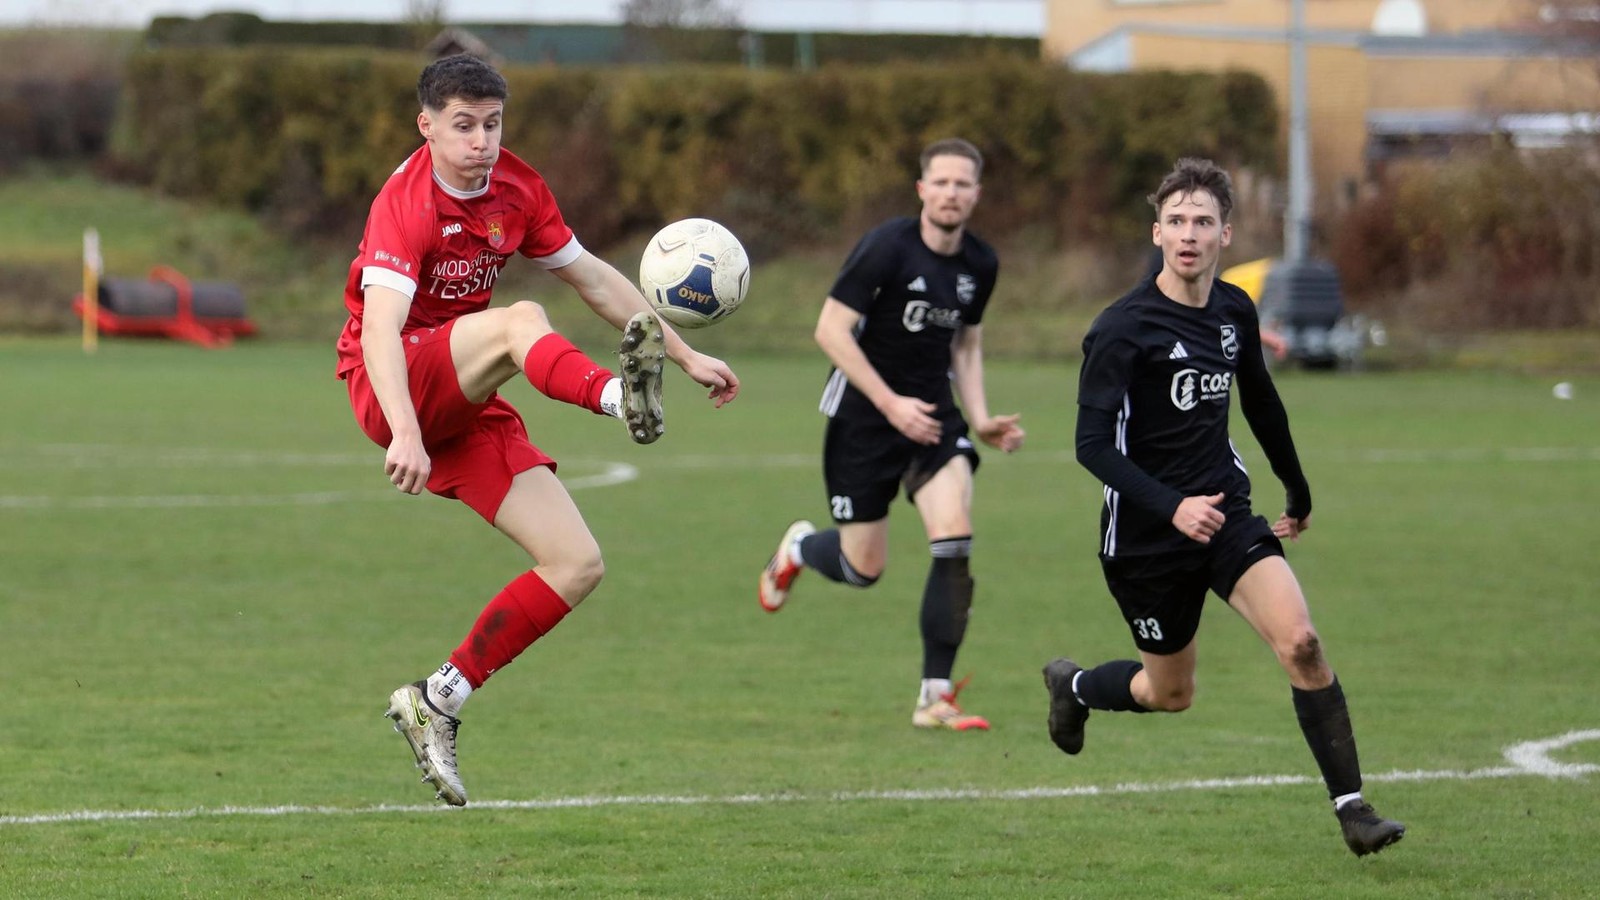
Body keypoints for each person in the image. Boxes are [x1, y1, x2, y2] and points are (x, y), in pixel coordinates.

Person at [335, 54, 739, 806]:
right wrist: (405, 432)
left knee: (576, 563)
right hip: (390, 385)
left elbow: (591, 276)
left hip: (465, 397)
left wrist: (684, 355)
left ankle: (437, 700)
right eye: (463, 126)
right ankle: (619, 399)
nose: (481, 142)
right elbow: (382, 329)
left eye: (492, 124)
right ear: (426, 126)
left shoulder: (518, 189)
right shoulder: (405, 203)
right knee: (520, 320)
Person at [1043, 157, 1404, 856]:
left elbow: (1261, 401)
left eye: (1202, 222)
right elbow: (1091, 446)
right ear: (1156, 232)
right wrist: (1172, 507)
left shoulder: (1235, 309)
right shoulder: (1120, 328)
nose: (1189, 234)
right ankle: (1076, 686)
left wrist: (1296, 488)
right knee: (1168, 693)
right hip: (1146, 537)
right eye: (1176, 221)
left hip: (1227, 514)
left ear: (1225, 234)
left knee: (1302, 643)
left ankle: (1354, 810)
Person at [757, 138, 1024, 731]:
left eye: (963, 184)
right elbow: (830, 330)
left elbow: (967, 344)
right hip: (863, 416)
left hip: (933, 417)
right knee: (863, 569)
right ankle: (799, 549)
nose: (951, 193)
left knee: (954, 536)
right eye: (941, 182)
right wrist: (889, 404)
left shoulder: (981, 264)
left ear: (976, 194)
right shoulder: (887, 247)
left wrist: (979, 417)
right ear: (922, 189)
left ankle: (935, 697)